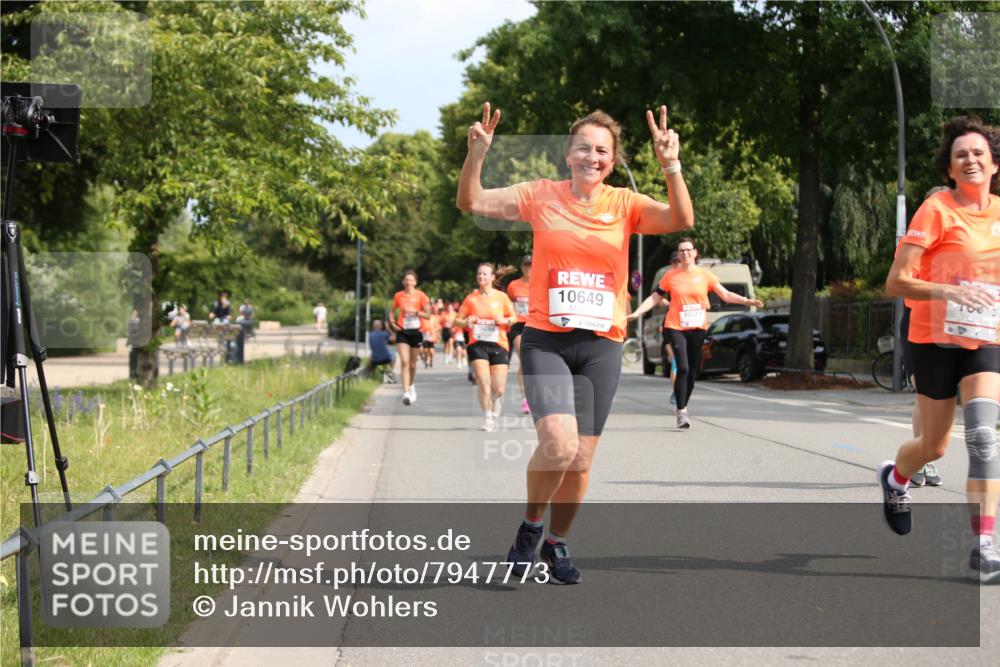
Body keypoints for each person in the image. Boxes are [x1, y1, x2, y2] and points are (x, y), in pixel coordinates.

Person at [457, 102, 694, 583]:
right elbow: (472, 202)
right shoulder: (540, 196)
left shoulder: (624, 204)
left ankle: (557, 543)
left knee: (583, 455)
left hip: (601, 345)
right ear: (568, 154)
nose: (593, 156)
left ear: (611, 159)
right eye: (584, 147)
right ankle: (530, 525)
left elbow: (680, 219)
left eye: (602, 150)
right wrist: (477, 155)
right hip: (547, 340)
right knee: (559, 445)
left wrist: (671, 164)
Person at [878, 115, 1000, 582]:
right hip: (933, 338)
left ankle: (984, 546)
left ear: (993, 165)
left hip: (985, 339)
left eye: (978, 154)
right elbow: (896, 281)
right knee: (934, 446)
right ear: (950, 169)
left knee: (984, 435)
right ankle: (896, 479)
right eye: (960, 155)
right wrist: (949, 291)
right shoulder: (936, 211)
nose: (970, 160)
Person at [629, 237, 763, 428]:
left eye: (688, 250)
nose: (684, 253)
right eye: (681, 251)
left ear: (695, 253)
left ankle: (682, 399)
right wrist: (637, 313)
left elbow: (725, 295)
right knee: (682, 367)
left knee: (692, 371)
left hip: (697, 328)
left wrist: (748, 301)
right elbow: (654, 297)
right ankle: (681, 411)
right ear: (678, 254)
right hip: (675, 327)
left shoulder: (705, 275)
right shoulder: (670, 276)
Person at [456, 262, 517, 431]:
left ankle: (496, 399)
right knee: (483, 382)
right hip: (477, 344)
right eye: (479, 274)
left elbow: (514, 317)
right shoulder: (471, 298)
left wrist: (504, 321)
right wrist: (467, 321)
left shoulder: (501, 297)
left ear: (492, 277)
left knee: (499, 388)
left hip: (499, 343)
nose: (481, 277)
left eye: (484, 274)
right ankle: (488, 418)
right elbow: (457, 320)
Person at [389, 270, 431, 405]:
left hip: (416, 332)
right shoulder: (398, 296)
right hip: (402, 331)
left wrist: (416, 312)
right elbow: (391, 311)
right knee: (405, 362)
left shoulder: (421, 296)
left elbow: (428, 314)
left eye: (411, 280)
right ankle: (406, 392)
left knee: (413, 364)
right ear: (403, 282)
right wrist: (392, 323)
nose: (408, 282)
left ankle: (411, 385)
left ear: (415, 282)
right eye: (406, 280)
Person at [506, 254, 533, 414]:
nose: (528, 268)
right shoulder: (513, 285)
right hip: (519, 325)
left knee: (534, 363)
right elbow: (508, 304)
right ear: (522, 267)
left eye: (531, 265)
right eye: (525, 265)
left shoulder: (540, 283)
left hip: (536, 324)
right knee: (525, 358)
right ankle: (525, 399)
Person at [367, 318, 396, 382]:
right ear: (381, 326)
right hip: (386, 359)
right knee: (393, 354)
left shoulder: (370, 335)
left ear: (373, 326)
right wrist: (388, 329)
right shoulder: (384, 334)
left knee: (371, 356)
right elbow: (394, 338)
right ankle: (391, 371)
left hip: (375, 360)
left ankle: (369, 375)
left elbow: (372, 347)